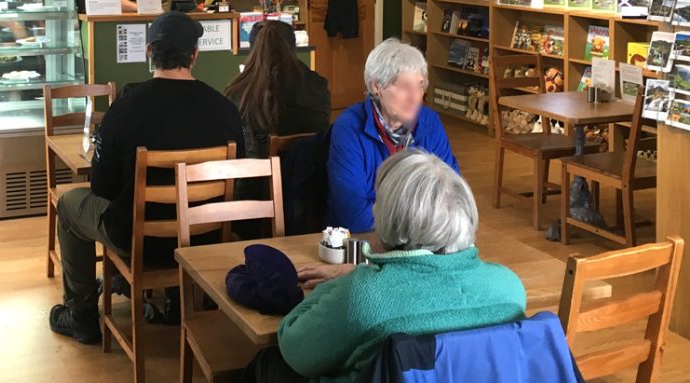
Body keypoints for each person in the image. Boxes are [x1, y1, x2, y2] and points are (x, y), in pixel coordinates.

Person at [244, 150, 527, 383]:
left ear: (391, 217)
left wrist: (353, 278)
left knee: (268, 363)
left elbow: (295, 347)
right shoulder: (510, 288)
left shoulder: (365, 296)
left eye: (380, 201)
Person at [49, 11, 245, 344]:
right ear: (195, 56)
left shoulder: (124, 110)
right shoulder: (225, 109)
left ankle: (81, 315)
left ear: (149, 53)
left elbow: (103, 188)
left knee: (69, 204)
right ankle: (174, 302)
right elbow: (235, 178)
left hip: (138, 239)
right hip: (204, 236)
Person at [327, 38, 458, 232]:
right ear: (376, 87)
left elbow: (452, 195)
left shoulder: (429, 122)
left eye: (420, 86)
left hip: (421, 242)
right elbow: (355, 216)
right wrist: (420, 221)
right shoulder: (348, 129)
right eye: (404, 86)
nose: (415, 97)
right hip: (363, 243)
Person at [224, 20, 330, 159]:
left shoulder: (238, 92)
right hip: (311, 174)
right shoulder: (317, 85)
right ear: (292, 46)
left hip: (258, 176)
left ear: (253, 49)